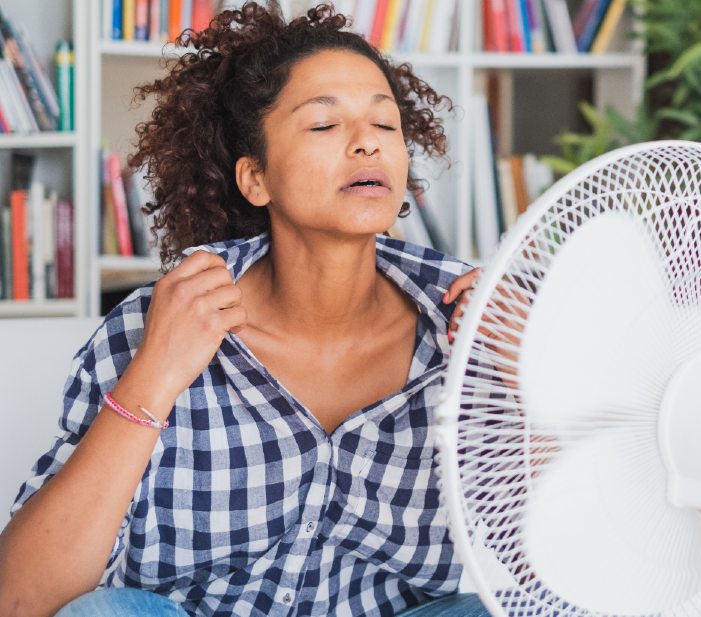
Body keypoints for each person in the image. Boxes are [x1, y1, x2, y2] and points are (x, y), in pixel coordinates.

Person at [0, 4, 488, 616]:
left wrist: (533, 386)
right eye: (323, 126)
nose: (367, 143)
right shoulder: (165, 318)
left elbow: (567, 565)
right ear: (255, 178)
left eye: (385, 126)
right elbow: (21, 600)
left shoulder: (475, 325)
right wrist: (156, 374)